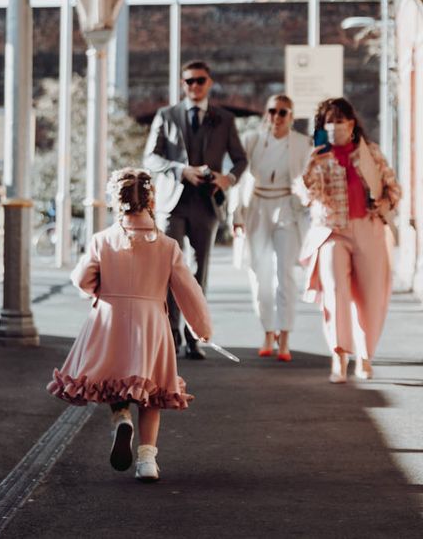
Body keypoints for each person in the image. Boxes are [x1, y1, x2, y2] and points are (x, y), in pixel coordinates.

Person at [47, 168, 212, 482]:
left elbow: (82, 280)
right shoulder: (167, 246)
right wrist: (202, 328)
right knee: (152, 392)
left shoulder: (102, 241)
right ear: (151, 199)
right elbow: (188, 291)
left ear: (116, 201)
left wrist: (100, 290)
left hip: (111, 319)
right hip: (151, 323)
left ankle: (121, 417)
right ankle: (147, 459)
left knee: (115, 379)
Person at [144, 60, 247, 359]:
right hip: (172, 204)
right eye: (189, 81)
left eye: (200, 80)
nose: (195, 86)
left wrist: (227, 178)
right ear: (182, 84)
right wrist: (180, 170)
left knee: (200, 273)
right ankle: (171, 336)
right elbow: (151, 157)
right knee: (169, 272)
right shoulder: (167, 115)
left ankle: (194, 336)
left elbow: (240, 160)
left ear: (209, 83)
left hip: (207, 202)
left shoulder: (224, 119)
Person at [300, 97, 401, 383]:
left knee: (370, 297)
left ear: (352, 123)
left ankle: (365, 356)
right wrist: (309, 168)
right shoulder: (319, 158)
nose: (334, 127)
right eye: (328, 122)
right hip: (332, 231)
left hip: (368, 228)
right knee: (335, 293)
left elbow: (394, 189)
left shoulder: (370, 153)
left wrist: (382, 202)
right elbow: (307, 196)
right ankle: (339, 355)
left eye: (339, 121)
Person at [233, 94, 311, 361]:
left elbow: (309, 179)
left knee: (284, 271)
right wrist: (236, 214)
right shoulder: (252, 140)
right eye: (273, 111)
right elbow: (238, 178)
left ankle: (285, 336)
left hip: (287, 208)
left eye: (283, 112)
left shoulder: (302, 144)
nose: (277, 117)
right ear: (266, 113)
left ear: (291, 116)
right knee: (259, 273)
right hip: (257, 206)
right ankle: (268, 331)